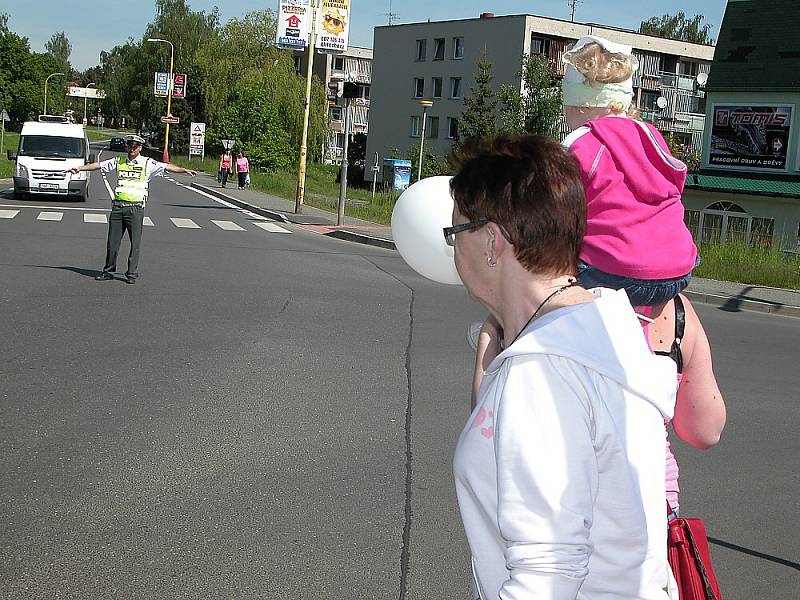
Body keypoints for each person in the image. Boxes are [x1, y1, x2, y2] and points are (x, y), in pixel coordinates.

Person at [449, 134, 676, 599]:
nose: (452, 250)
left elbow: (546, 577)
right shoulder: (606, 329)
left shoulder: (543, 373)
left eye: (456, 233)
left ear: (492, 242)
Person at [561, 35, 698, 307]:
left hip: (614, 273)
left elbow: (556, 212)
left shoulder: (579, 143)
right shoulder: (652, 135)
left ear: (580, 105)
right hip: (678, 270)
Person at [69, 134, 197, 284]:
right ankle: (109, 271)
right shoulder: (119, 160)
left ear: (140, 148)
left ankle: (131, 274)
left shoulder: (147, 163)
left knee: (135, 244)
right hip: (118, 207)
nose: (132, 149)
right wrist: (80, 168)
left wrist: (184, 170)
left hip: (135, 209)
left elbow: (167, 166)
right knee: (112, 243)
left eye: (135, 146)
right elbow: (99, 165)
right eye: (130, 146)